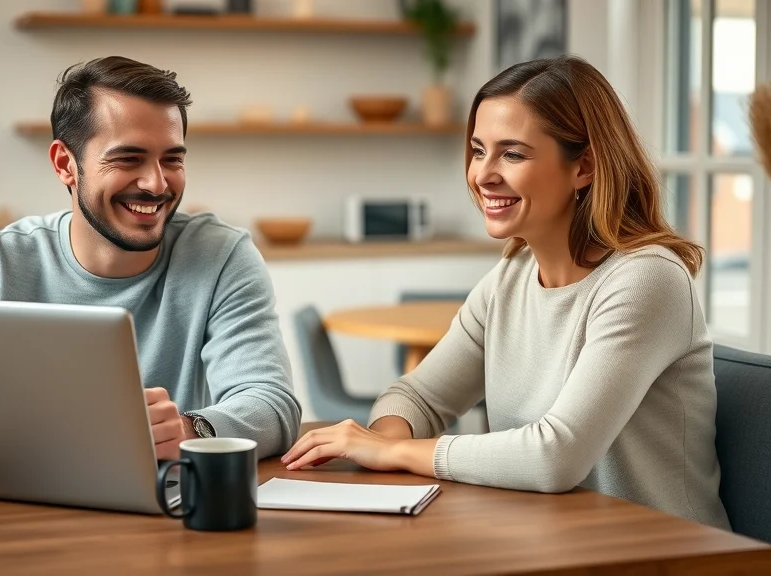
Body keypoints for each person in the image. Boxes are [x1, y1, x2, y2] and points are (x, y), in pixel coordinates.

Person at [281, 55, 732, 531]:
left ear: (585, 167)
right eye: (478, 150)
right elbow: (417, 395)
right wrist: (382, 442)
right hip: (549, 543)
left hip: (666, 554)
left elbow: (555, 456)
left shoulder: (647, 280)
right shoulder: (512, 275)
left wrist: (391, 449)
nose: (483, 175)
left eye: (512, 154)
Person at [0, 56, 302, 461]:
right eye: (129, 158)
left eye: (172, 159)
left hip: (164, 519)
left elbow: (271, 403)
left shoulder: (222, 256)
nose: (156, 184)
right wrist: (22, 437)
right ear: (65, 164)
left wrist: (192, 429)